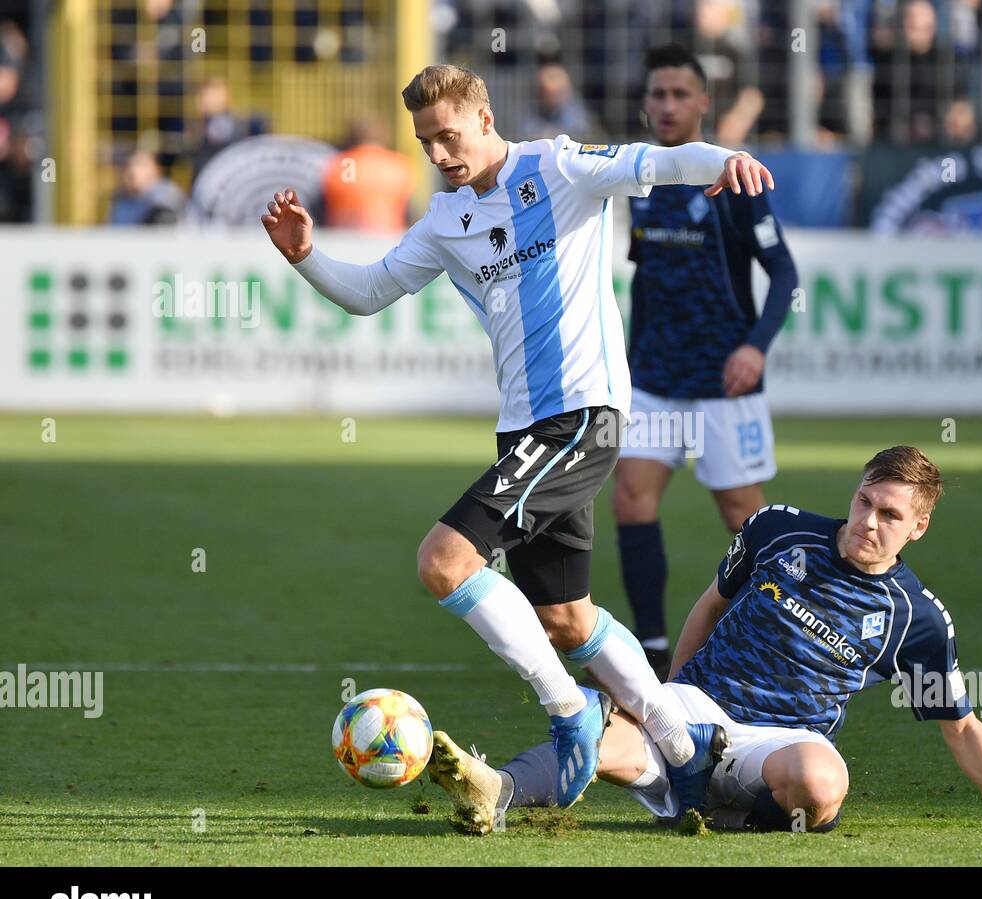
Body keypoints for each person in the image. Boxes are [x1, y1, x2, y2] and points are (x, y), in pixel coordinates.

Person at [261, 64, 777, 807]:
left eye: (447, 135)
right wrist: (305, 256)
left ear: (482, 116)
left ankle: (571, 715)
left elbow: (659, 162)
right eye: (424, 142)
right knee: (566, 617)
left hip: (580, 415)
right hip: (524, 432)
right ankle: (682, 741)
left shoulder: (558, 166)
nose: (438, 154)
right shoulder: (445, 221)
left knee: (444, 562)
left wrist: (720, 161)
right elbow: (371, 292)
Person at [427, 446, 982, 835]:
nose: (870, 521)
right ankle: (494, 790)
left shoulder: (914, 617)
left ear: (918, 528)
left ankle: (727, 817)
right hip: (699, 705)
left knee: (823, 783)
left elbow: (961, 727)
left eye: (891, 515)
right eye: (865, 502)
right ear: (853, 494)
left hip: (782, 742)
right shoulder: (779, 530)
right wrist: (669, 698)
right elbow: (710, 605)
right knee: (602, 736)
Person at [613, 44, 798, 678]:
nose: (667, 105)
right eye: (657, 94)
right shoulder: (636, 181)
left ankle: (775, 644)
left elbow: (784, 271)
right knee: (632, 499)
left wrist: (754, 347)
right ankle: (653, 649)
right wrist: (627, 357)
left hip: (724, 380)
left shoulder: (735, 177)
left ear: (702, 104)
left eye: (679, 94)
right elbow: (645, 278)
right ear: (644, 104)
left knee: (744, 520)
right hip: (655, 379)